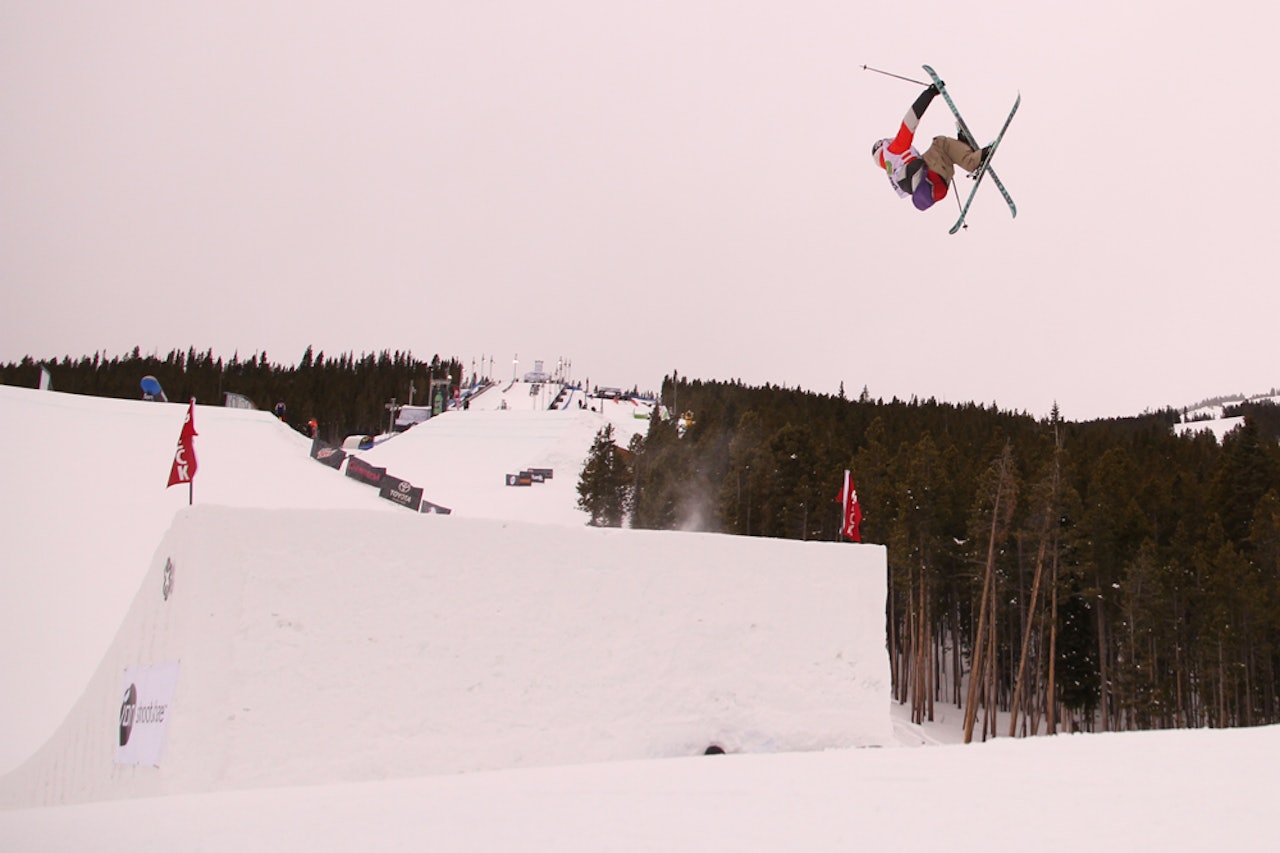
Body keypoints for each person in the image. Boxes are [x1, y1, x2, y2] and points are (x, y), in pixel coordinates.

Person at [871, 83, 992, 212]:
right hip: (932, 176)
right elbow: (909, 121)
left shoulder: (893, 170)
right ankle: (973, 162)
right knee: (940, 143)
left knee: (939, 152)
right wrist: (929, 94)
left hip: (937, 186)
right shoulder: (893, 151)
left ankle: (963, 148)